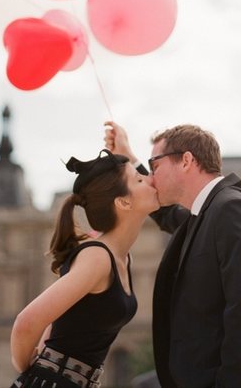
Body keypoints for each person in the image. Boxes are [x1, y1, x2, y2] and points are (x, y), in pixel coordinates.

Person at [104, 121, 241, 388]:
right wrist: (129, 157)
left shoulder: (231, 208)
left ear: (186, 160)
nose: (151, 179)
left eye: (155, 166)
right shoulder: (204, 214)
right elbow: (167, 215)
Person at [10, 148, 159, 388]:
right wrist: (29, 370)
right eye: (139, 179)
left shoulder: (120, 257)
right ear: (123, 201)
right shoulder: (98, 257)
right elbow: (26, 323)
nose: (150, 178)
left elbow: (59, 320)